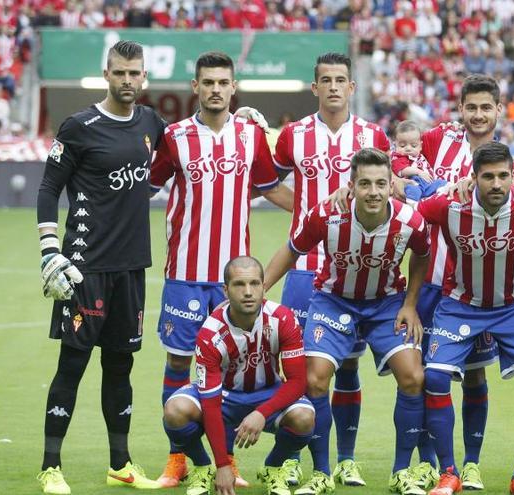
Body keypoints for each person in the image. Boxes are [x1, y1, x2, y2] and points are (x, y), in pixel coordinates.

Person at [149, 51, 294, 488]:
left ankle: (227, 459)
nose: (215, 89)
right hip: (186, 274)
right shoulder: (174, 137)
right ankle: (181, 457)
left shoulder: (250, 135)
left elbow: (273, 189)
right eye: (207, 82)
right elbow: (145, 188)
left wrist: (321, 214)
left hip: (236, 280)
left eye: (222, 82)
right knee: (179, 360)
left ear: (234, 88)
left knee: (232, 367)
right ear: (195, 87)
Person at [36, 40, 166, 494]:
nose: (127, 81)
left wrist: (242, 116)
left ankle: (121, 464)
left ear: (144, 77)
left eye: (135, 74)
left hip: (131, 269)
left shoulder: (152, 122)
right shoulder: (79, 126)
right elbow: (49, 188)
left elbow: (198, 135)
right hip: (84, 268)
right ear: (105, 74)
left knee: (121, 365)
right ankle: (51, 466)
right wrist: (50, 248)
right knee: (72, 365)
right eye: (120, 73)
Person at [264, 148, 431, 495]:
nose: (373, 192)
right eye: (365, 184)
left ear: (391, 185)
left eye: (381, 184)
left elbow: (422, 255)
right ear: (351, 186)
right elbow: (292, 249)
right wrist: (260, 289)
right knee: (315, 379)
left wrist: (411, 304)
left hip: (386, 304)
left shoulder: (410, 220)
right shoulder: (326, 215)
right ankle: (322, 472)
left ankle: (402, 472)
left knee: (414, 376)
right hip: (333, 301)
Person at [271, 52, 391, 488]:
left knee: (350, 368)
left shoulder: (373, 135)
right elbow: (267, 181)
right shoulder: (294, 135)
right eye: (327, 80)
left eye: (342, 79)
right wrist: (303, 212)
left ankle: (345, 459)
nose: (335, 86)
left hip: (356, 270)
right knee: (301, 369)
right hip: (304, 268)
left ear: (352, 88)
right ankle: (292, 458)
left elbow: (388, 188)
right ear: (315, 87)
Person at [418, 142, 514, 495]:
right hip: (460, 305)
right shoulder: (448, 206)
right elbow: (407, 207)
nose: (497, 184)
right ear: (474, 177)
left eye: (503, 176)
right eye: (488, 177)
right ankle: (449, 472)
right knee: (434, 378)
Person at [162, 256, 314, 495]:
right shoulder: (210, 333)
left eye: (255, 284)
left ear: (264, 287)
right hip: (223, 398)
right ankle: (203, 467)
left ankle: (273, 467)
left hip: (268, 396)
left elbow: (297, 382)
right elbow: (211, 404)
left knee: (305, 417)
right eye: (239, 285)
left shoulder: (283, 319)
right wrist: (222, 465)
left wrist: (262, 413)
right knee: (175, 411)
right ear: (225, 290)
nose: (248, 292)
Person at [391, 119, 449, 206]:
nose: (408, 148)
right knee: (413, 191)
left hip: (428, 184)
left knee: (441, 183)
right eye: (402, 145)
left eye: (413, 145)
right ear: (395, 145)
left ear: (420, 146)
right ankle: (412, 207)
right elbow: (402, 170)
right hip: (413, 183)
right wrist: (418, 172)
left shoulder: (418, 156)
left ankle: (445, 192)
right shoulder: (398, 157)